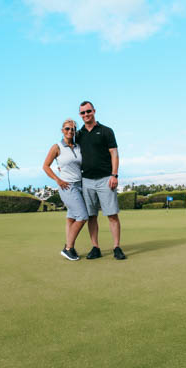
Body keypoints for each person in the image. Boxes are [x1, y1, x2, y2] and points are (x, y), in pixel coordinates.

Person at [76, 101, 126, 260]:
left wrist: (114, 175)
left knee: (112, 215)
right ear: (80, 115)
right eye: (83, 113)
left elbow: (114, 154)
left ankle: (116, 247)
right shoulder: (79, 135)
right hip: (87, 181)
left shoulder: (106, 131)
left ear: (94, 111)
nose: (86, 115)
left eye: (88, 111)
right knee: (91, 216)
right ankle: (95, 247)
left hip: (106, 179)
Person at [43, 118, 88, 261]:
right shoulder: (57, 147)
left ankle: (70, 247)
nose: (70, 131)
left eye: (73, 129)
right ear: (62, 130)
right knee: (82, 216)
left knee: (71, 218)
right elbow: (45, 166)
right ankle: (68, 248)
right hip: (67, 186)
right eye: (67, 128)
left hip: (80, 185)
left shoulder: (78, 147)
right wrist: (58, 179)